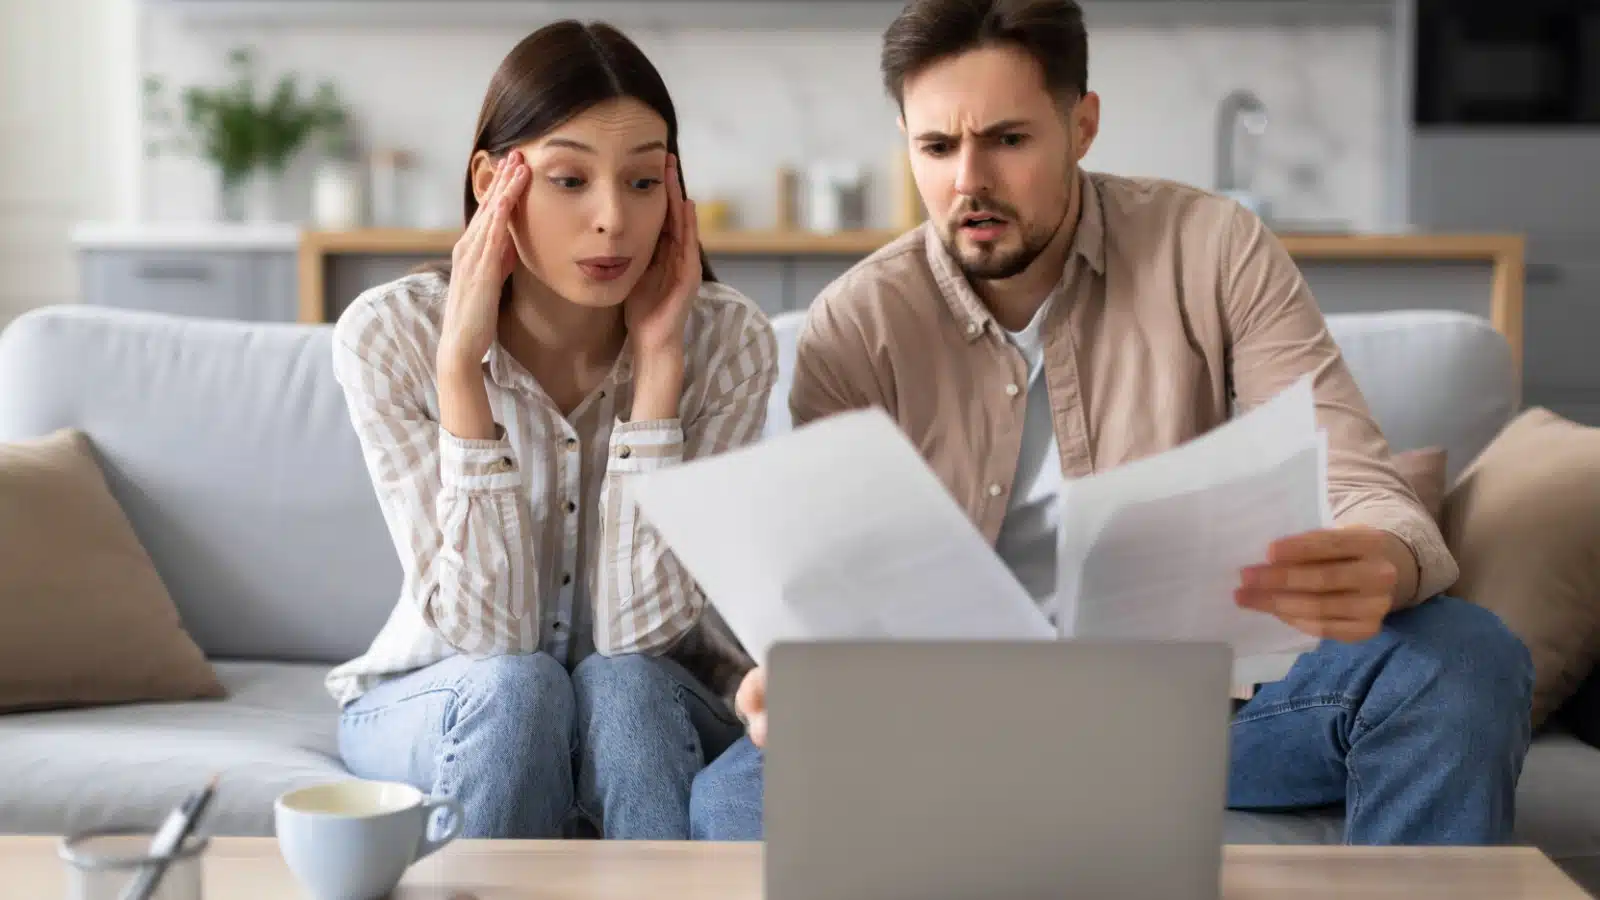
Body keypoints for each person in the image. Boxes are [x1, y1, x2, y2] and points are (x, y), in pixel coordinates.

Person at [690, 0, 1534, 845]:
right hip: (955, 726)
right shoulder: (857, 322)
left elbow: (1354, 473)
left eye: (1009, 141)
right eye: (937, 147)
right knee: (734, 802)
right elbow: (829, 586)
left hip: (1195, 712)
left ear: (1082, 123)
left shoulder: (1214, 248)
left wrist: (1382, 559)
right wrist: (796, 673)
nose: (968, 182)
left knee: (1461, 660)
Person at [327, 20, 774, 840]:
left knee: (626, 686)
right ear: (495, 180)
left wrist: (660, 367)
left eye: (643, 183)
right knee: (519, 686)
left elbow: (642, 636)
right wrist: (462, 374)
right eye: (570, 179)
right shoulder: (388, 335)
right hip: (442, 693)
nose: (613, 220)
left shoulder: (728, 342)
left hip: (655, 698)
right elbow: (491, 638)